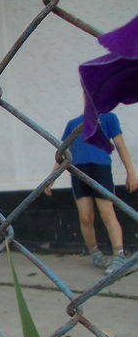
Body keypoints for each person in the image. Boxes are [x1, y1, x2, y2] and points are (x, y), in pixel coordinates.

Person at [45, 112, 137, 274]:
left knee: (107, 213)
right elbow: (62, 154)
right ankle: (95, 254)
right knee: (86, 216)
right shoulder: (73, 124)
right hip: (78, 170)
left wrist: (131, 172)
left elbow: (120, 145)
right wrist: (51, 178)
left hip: (100, 169)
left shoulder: (109, 117)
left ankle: (119, 255)